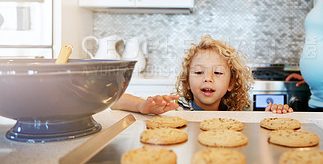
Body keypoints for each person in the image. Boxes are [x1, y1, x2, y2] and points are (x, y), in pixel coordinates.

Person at [113, 35, 293, 114]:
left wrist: (276, 112)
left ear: (231, 83)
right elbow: (116, 101)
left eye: (218, 72)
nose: (208, 78)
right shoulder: (176, 106)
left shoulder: (241, 112)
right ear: (188, 82)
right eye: (199, 72)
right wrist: (143, 106)